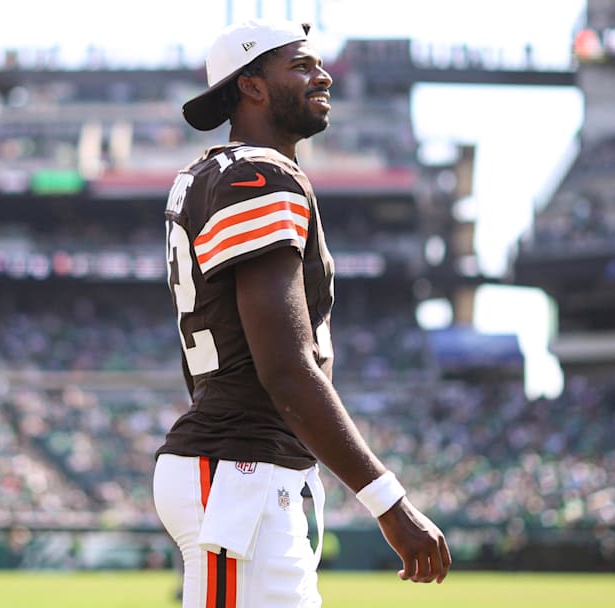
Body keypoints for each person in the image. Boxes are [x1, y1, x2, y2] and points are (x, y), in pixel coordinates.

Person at [152, 19, 451, 607]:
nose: (324, 75)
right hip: (240, 469)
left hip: (247, 472)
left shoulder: (215, 173)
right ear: (252, 86)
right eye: (302, 64)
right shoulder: (259, 177)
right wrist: (387, 500)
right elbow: (285, 366)